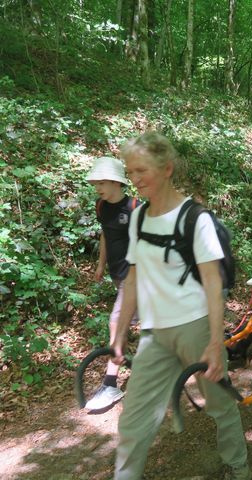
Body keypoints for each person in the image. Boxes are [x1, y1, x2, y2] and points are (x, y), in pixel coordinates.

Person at [111, 132, 250, 480]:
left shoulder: (195, 219)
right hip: (154, 334)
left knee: (219, 404)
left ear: (167, 168)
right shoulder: (139, 219)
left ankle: (238, 465)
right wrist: (119, 330)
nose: (135, 179)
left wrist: (216, 343)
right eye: (131, 172)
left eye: (142, 170)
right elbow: (132, 279)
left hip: (196, 328)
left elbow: (214, 286)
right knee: (133, 419)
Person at [84, 156, 138, 412]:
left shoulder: (136, 208)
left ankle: (110, 383)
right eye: (95, 184)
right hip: (118, 277)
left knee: (117, 323)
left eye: (101, 182)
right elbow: (106, 234)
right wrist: (100, 265)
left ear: (117, 182)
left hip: (137, 278)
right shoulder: (101, 207)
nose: (98, 188)